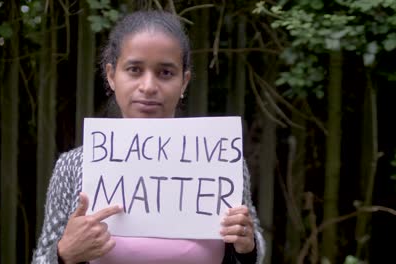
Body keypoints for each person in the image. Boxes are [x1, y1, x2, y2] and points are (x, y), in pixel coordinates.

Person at [32, 10, 265, 264]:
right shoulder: (74, 166)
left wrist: (246, 246)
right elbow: (41, 258)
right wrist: (63, 254)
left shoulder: (221, 161)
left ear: (184, 82)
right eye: (134, 69)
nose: (148, 86)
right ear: (111, 76)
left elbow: (255, 247)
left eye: (165, 73)